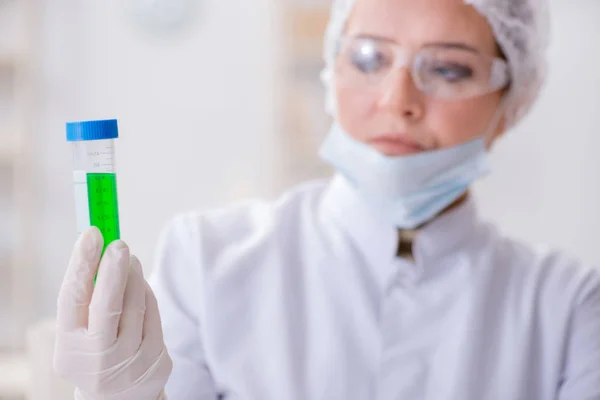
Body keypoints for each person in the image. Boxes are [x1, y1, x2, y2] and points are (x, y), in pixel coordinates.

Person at [53, 0, 600, 398]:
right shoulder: (207, 258)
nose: (397, 100)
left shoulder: (569, 307)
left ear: (512, 103)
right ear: (331, 70)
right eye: (368, 58)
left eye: (449, 68)